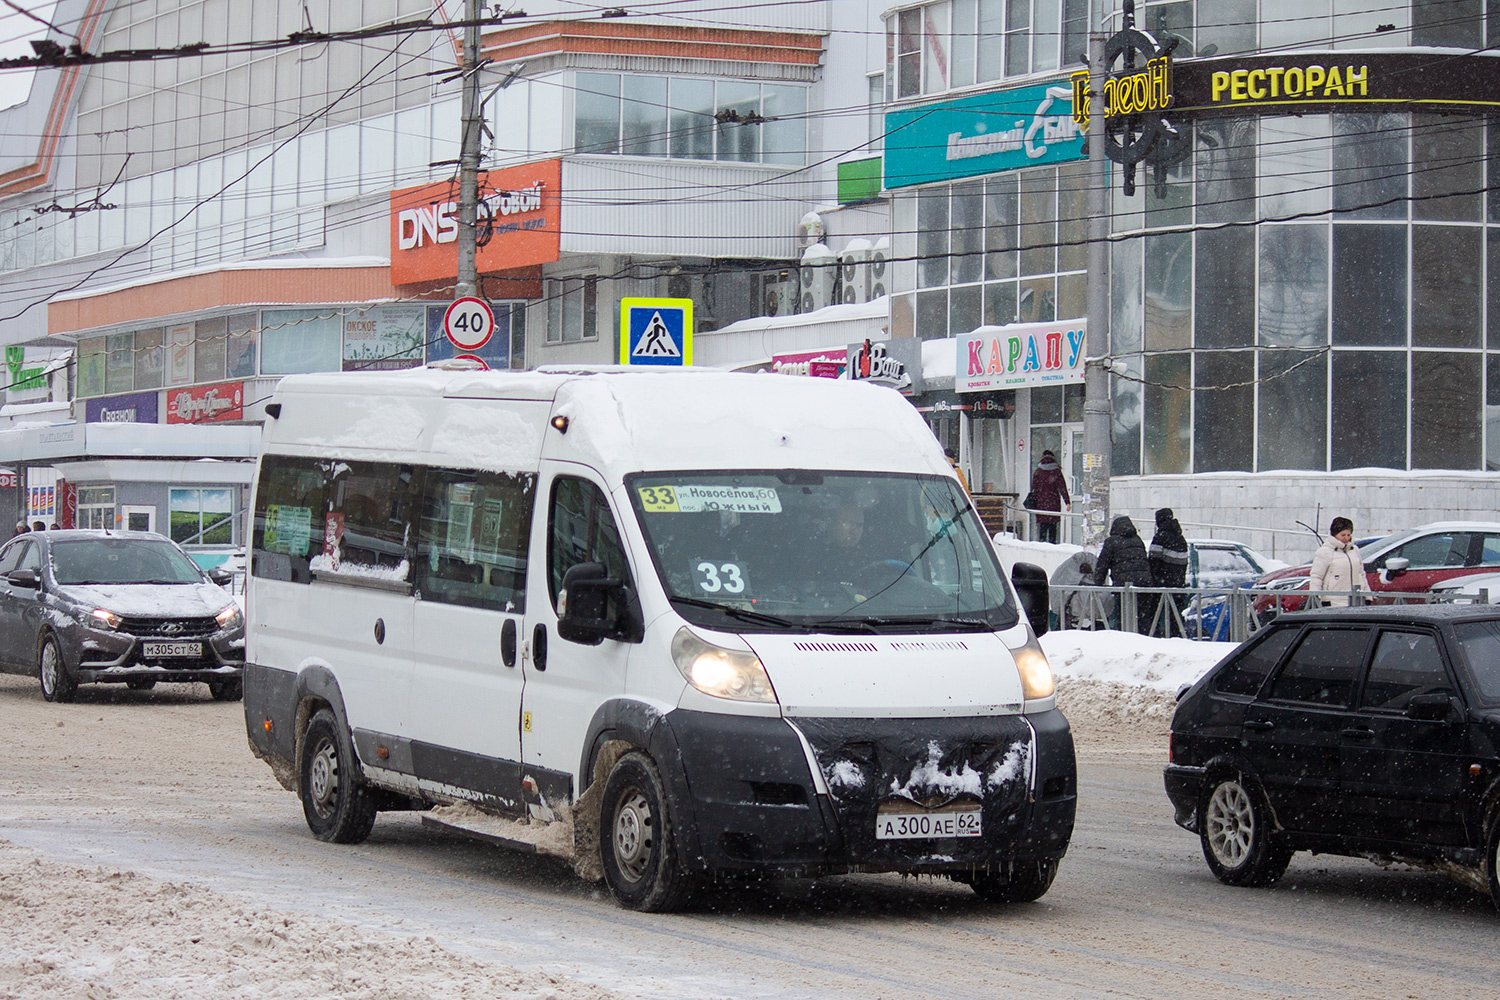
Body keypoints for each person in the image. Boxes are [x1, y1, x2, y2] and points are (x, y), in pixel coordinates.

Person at [1094, 514, 1153, 632]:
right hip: (1144, 585)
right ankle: (1144, 641)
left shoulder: (1112, 541)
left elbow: (1102, 565)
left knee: (1123, 619)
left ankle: (1125, 641)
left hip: (1124, 586)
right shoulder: (1138, 540)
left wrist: (1097, 584)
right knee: (1143, 620)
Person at [1309, 516, 1369, 607]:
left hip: (1356, 601)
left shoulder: (1354, 550)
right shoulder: (1325, 552)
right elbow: (1316, 576)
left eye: (1348, 535)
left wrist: (1367, 595)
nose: (1346, 538)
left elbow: (1361, 574)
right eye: (1343, 535)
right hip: (1333, 602)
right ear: (1335, 534)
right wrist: (1316, 597)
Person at [1148, 507, 1189, 636]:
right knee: (1175, 616)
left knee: (1154, 615)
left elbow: (1153, 562)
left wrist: (1155, 578)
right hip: (1177, 585)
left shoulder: (1160, 537)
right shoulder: (1181, 538)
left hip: (1161, 585)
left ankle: (1154, 636)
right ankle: (1177, 636)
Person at [1028, 449, 1070, 544]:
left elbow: (1033, 488)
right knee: (1052, 529)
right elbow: (1062, 488)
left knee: (1042, 529)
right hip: (1053, 504)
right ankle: (1052, 545)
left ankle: (1041, 545)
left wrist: (1033, 501)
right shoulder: (1056, 471)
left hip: (1041, 504)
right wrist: (1067, 502)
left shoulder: (1038, 471)